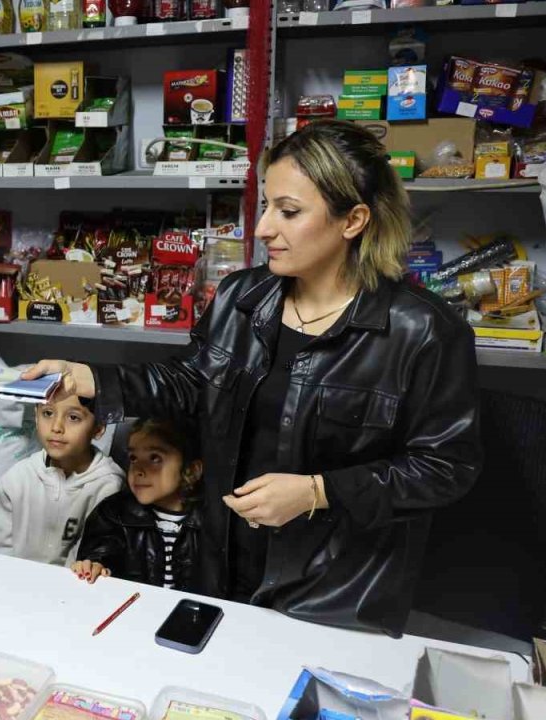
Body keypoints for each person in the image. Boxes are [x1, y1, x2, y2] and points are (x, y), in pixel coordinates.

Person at [26, 121, 481, 637]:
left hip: (335, 591)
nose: (263, 228)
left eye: (288, 212)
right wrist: (89, 375)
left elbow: (445, 468)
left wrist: (317, 491)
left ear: (353, 220)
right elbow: (190, 382)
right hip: (222, 566)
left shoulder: (422, 330)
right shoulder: (243, 297)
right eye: (266, 206)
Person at [72, 418, 214, 592]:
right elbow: (100, 554)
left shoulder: (214, 520)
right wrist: (94, 566)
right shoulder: (113, 513)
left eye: (155, 458)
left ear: (191, 471)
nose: (138, 469)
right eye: (133, 458)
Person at [0, 395, 124, 565]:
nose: (56, 427)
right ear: (36, 416)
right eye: (48, 413)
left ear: (99, 427)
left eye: (73, 417)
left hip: (76, 587)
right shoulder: (16, 480)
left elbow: (95, 559)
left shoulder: (108, 486)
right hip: (16, 583)